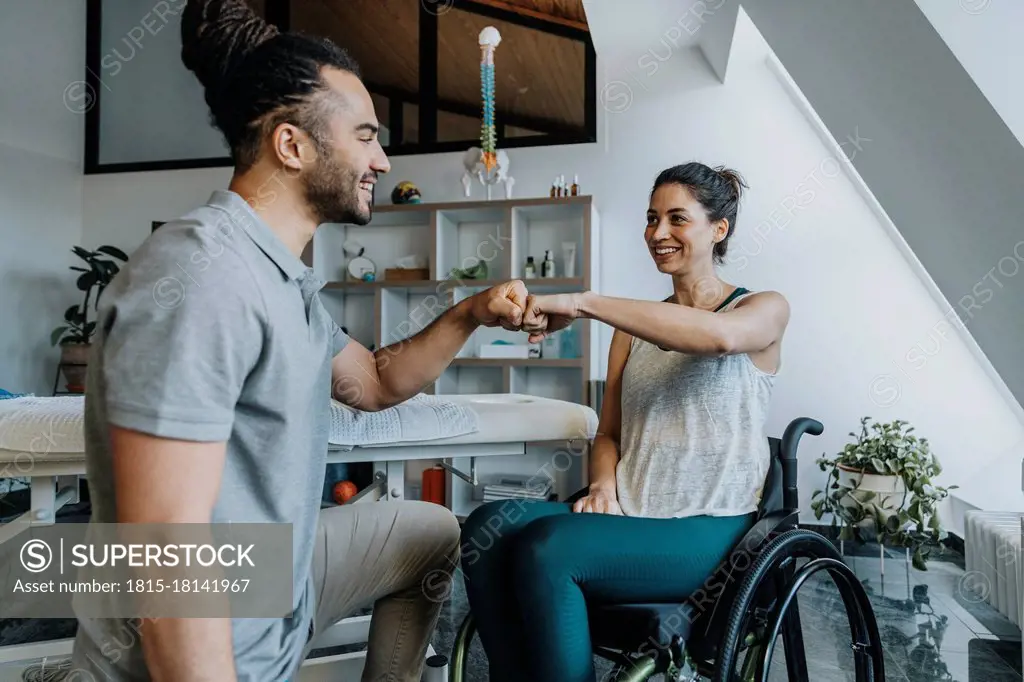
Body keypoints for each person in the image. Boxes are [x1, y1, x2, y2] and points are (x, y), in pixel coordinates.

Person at [69, 1, 530, 680]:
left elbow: (374, 382)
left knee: (429, 532)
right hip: (201, 643)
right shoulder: (204, 274)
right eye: (365, 135)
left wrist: (473, 312)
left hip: (274, 586)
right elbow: (165, 546)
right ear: (292, 145)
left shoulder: (287, 281)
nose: (381, 156)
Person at [460, 162, 791, 682]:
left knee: (548, 551)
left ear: (718, 230)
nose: (658, 233)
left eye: (677, 219)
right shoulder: (630, 332)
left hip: (710, 530)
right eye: (651, 218)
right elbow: (609, 430)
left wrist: (583, 302)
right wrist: (604, 486)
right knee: (486, 528)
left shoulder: (763, 309)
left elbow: (718, 338)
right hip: (631, 515)